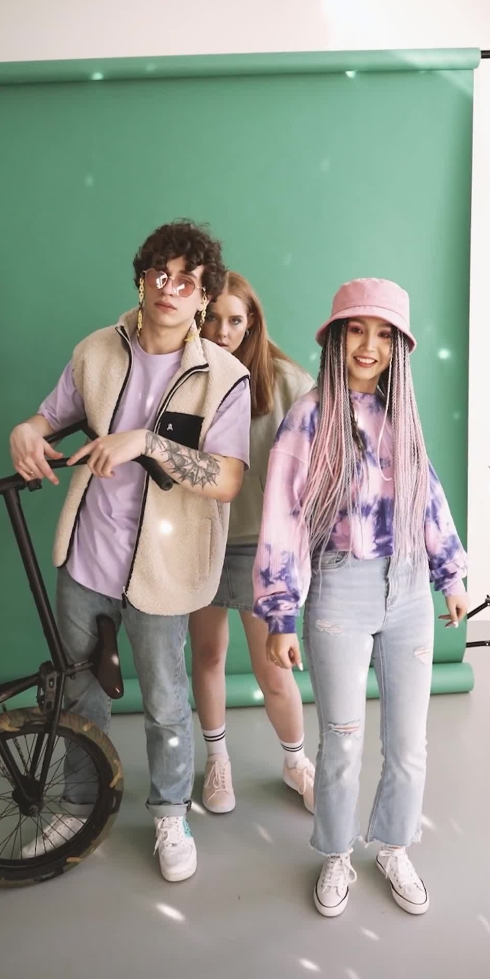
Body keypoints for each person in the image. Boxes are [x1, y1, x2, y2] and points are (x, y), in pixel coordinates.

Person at [9, 220, 251, 883]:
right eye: (159, 274)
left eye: (187, 281)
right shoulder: (95, 352)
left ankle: (170, 814)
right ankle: (77, 807)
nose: (170, 289)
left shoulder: (224, 377)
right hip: (87, 559)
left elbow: (228, 478)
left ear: (204, 297)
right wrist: (25, 430)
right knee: (77, 691)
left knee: (167, 701)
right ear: (141, 280)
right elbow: (47, 418)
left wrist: (146, 442)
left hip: (164, 571)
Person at [253, 278, 468, 917]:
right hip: (339, 588)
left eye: (383, 334)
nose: (368, 345)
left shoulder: (403, 417)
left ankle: (395, 847)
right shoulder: (308, 416)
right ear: (336, 338)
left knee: (408, 742)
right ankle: (337, 853)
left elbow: (427, 496)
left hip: (408, 588)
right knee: (342, 737)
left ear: (398, 347)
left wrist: (450, 574)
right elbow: (284, 516)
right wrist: (280, 613)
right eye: (356, 330)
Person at [189, 272, 315, 814]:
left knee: (274, 668)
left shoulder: (288, 382)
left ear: (252, 323)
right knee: (208, 654)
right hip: (198, 537)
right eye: (211, 318)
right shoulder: (185, 376)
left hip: (259, 545)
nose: (222, 331)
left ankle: (296, 761)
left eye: (235, 320)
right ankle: (217, 760)